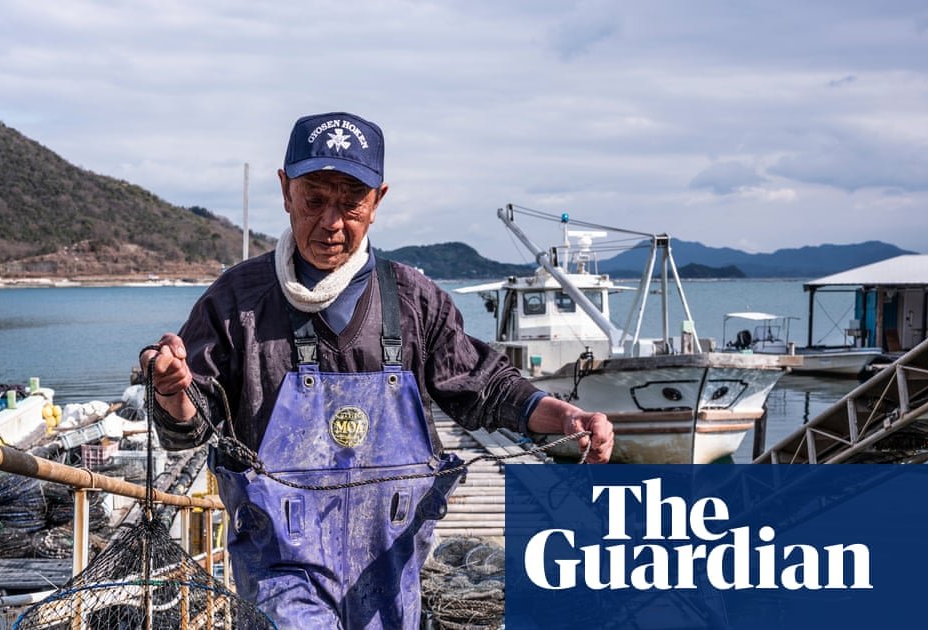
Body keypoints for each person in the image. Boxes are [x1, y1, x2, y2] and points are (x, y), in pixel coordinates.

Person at [140, 111, 613, 629]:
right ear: (285, 190)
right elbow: (189, 423)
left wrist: (564, 417)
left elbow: (486, 387)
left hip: (391, 573)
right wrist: (170, 388)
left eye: (351, 203)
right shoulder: (236, 302)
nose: (331, 222)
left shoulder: (413, 300)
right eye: (314, 199)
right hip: (278, 570)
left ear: (378, 201)